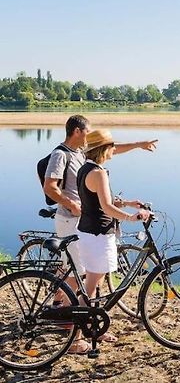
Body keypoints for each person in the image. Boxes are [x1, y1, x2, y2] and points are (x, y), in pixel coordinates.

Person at [43, 115, 157, 353]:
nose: (113, 150)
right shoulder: (63, 155)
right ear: (77, 131)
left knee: (90, 279)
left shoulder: (84, 161)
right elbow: (52, 187)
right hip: (76, 222)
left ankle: (90, 326)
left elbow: (98, 193)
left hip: (88, 224)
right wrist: (130, 216)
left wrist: (137, 145)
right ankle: (70, 327)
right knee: (83, 278)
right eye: (88, 130)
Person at [76, 129, 150, 343]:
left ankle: (93, 330)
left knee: (95, 285)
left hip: (89, 231)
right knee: (90, 287)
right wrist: (131, 217)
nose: (113, 150)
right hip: (98, 234)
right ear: (103, 149)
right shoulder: (98, 173)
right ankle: (75, 338)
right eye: (111, 146)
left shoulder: (86, 169)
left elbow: (96, 202)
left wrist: (127, 203)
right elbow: (106, 207)